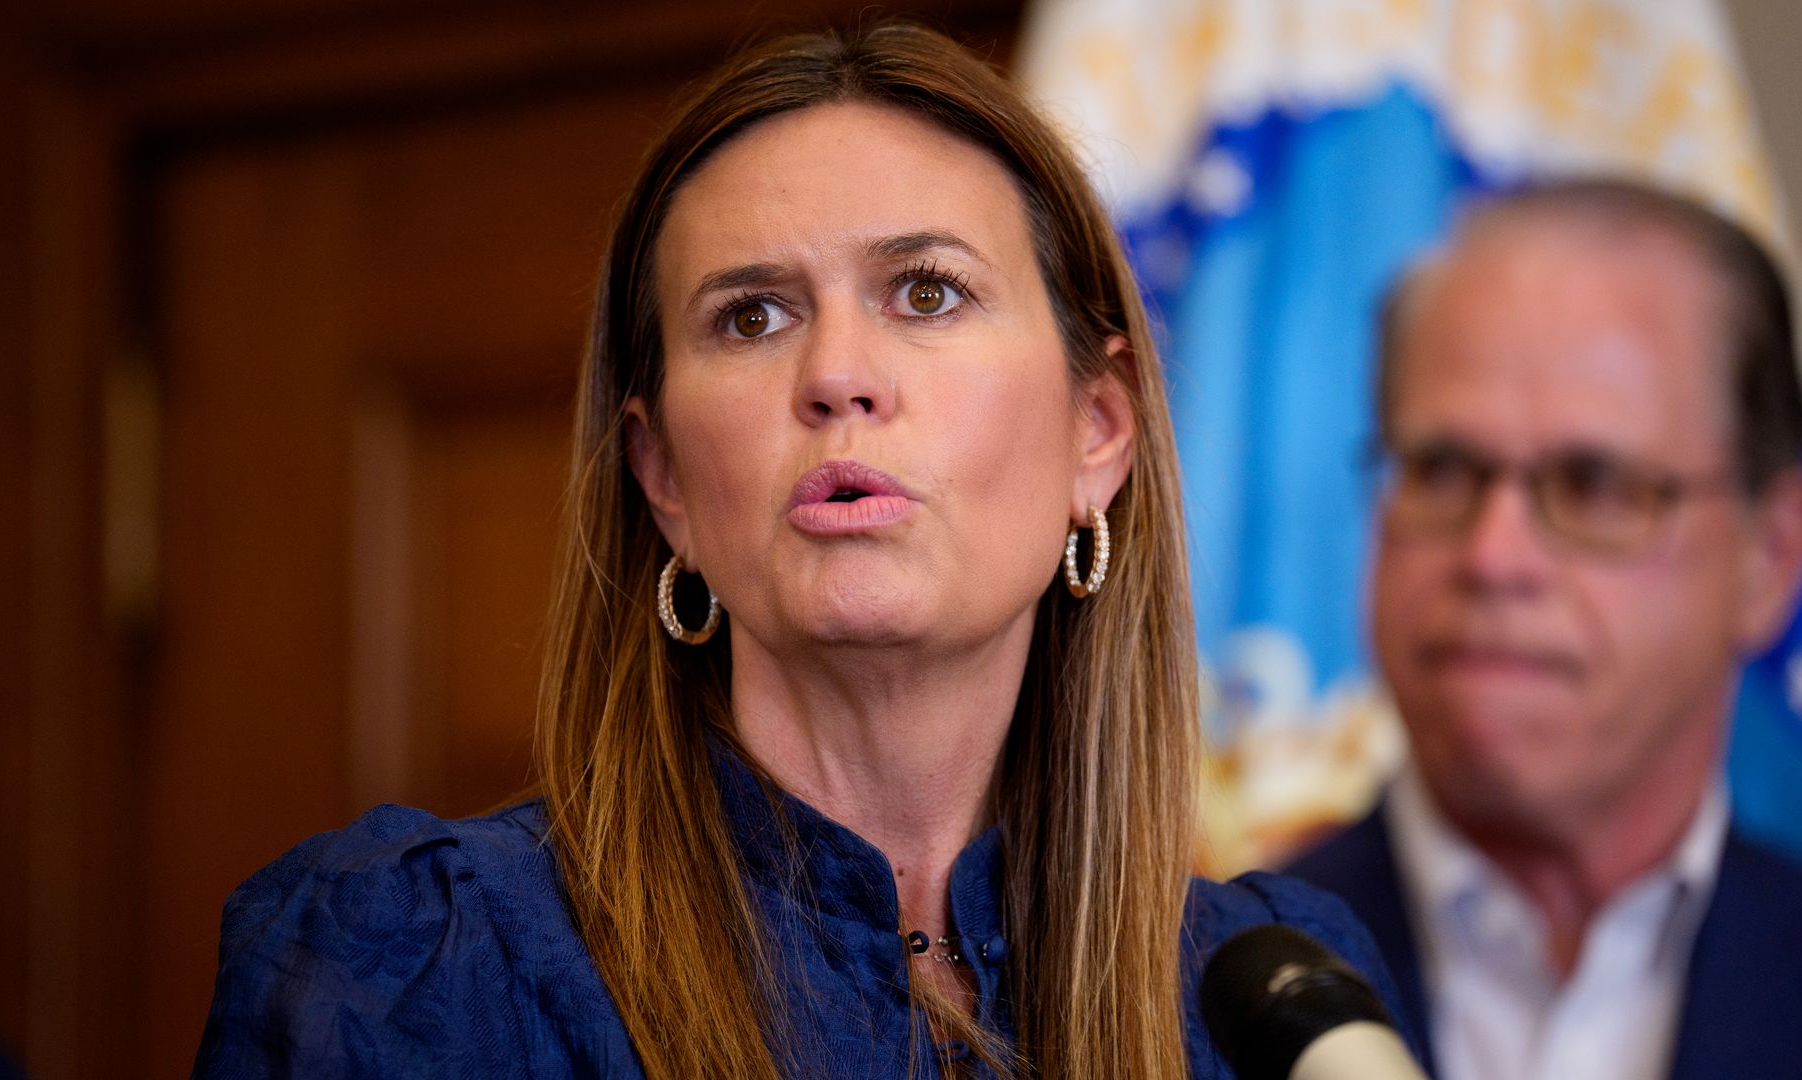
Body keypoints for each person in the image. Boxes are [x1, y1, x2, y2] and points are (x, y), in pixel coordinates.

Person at [192, 23, 1408, 1080]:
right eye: (753, 316)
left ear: (1097, 433)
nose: (835, 377)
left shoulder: (1270, 1008)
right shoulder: (420, 960)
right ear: (661, 476)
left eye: (926, 293)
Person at [1288, 179, 1802, 1080]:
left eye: (1593, 485)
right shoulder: (1179, 990)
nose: (1493, 557)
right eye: (1441, 469)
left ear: (1772, 556)